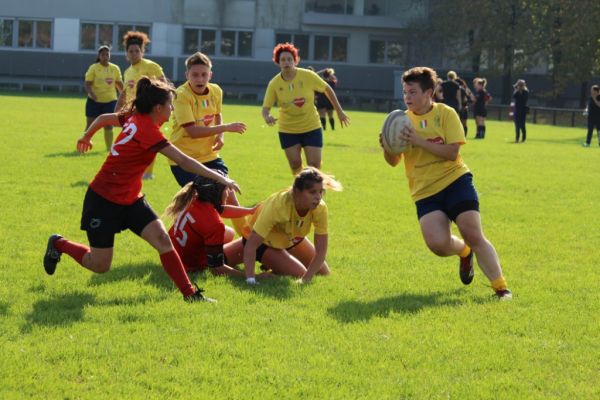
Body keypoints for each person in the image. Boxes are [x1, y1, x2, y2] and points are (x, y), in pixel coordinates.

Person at [43, 77, 242, 303]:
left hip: (131, 199)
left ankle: (191, 295)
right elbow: (184, 161)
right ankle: (58, 243)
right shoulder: (147, 130)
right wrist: (221, 178)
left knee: (162, 241)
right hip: (103, 200)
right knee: (99, 265)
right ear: (158, 108)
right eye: (170, 105)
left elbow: (103, 118)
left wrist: (87, 136)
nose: (172, 109)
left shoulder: (136, 117)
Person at [379, 66, 512, 300]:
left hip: (455, 181)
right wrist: (387, 148)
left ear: (429, 92)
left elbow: (452, 153)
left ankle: (501, 289)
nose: (407, 97)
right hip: (424, 190)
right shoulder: (401, 121)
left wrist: (419, 141)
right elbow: (393, 162)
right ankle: (463, 251)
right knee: (437, 245)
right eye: (405, 92)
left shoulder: (446, 113)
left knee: (473, 233)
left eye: (412, 92)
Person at [169, 52, 247, 235]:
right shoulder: (181, 95)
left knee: (228, 193)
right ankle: (176, 240)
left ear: (210, 75)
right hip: (183, 159)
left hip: (209, 156)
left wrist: (221, 136)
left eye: (204, 74)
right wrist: (225, 128)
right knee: (199, 204)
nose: (200, 78)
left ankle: (248, 240)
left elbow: (217, 114)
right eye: (195, 74)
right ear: (187, 75)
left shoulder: (216, 91)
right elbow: (192, 131)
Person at [234, 167, 342, 284]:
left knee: (323, 273)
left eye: (321, 191)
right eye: (312, 192)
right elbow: (251, 244)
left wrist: (305, 280)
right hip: (261, 241)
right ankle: (264, 273)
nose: (318, 197)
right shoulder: (279, 205)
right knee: (299, 273)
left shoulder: (320, 208)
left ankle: (274, 265)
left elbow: (321, 252)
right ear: (296, 191)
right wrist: (251, 279)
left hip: (289, 239)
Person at [262, 43, 350, 175]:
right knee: (295, 165)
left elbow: (327, 89)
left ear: (295, 61)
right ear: (278, 62)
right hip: (288, 129)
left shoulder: (307, 75)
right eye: (283, 60)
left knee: (314, 167)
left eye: (289, 59)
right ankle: (301, 193)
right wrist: (267, 117)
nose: (286, 62)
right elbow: (265, 108)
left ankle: (316, 193)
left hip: (311, 126)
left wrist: (339, 111)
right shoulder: (274, 83)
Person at [165, 173, 259, 277]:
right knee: (248, 243)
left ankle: (212, 249)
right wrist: (249, 276)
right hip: (190, 264)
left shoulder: (194, 199)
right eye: (226, 189)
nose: (228, 192)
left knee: (229, 233)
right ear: (217, 193)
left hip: (173, 255)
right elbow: (217, 268)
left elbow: (221, 209)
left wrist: (250, 211)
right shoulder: (215, 224)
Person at [115, 31, 166, 180]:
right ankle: (135, 171)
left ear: (142, 51)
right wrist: (116, 112)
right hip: (133, 112)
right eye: (131, 51)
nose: (134, 53)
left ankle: (148, 174)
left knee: (148, 142)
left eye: (137, 50)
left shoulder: (151, 66)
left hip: (150, 111)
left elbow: (164, 85)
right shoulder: (127, 72)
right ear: (127, 53)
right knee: (132, 143)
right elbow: (124, 93)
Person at [83, 45, 123, 151]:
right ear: (99, 56)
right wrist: (92, 94)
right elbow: (87, 83)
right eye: (103, 54)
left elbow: (119, 84)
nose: (105, 56)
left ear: (110, 55)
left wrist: (124, 96)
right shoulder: (94, 68)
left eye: (107, 54)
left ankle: (109, 149)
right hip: (94, 101)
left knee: (109, 125)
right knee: (90, 125)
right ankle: (84, 146)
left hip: (110, 101)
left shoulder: (114, 68)